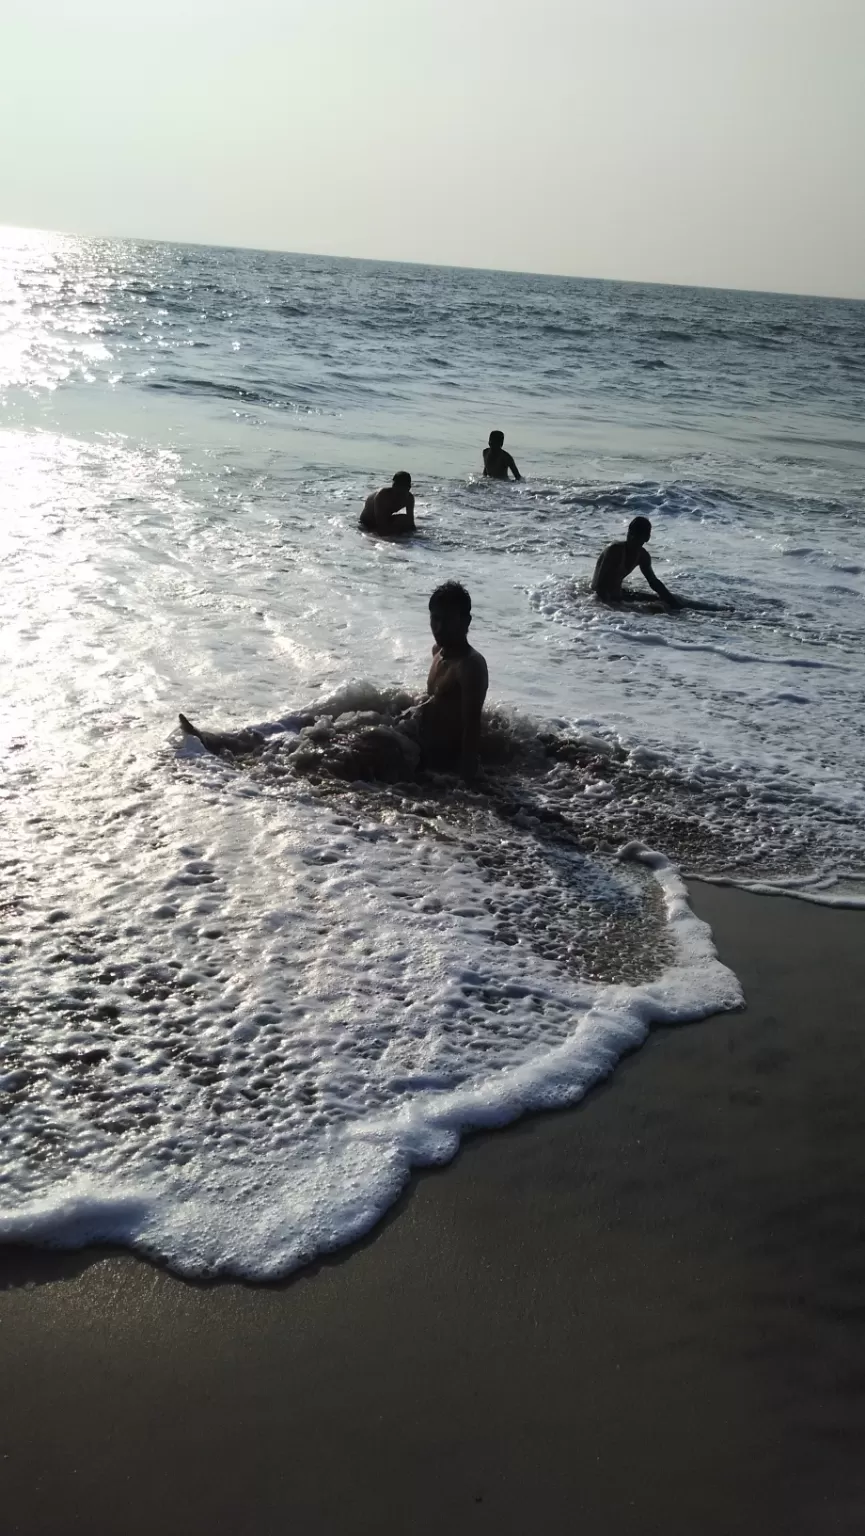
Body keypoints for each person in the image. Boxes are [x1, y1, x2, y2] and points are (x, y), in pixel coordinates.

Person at [178, 582, 489, 783]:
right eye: (434, 618)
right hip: (412, 733)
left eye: (447, 620)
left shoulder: (470, 666)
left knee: (337, 753)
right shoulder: (439, 652)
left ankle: (261, 771)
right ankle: (231, 742)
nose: (438, 626)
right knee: (329, 728)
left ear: (466, 621)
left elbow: (471, 725)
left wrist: (465, 778)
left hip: (426, 752)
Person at [591, 516, 682, 608]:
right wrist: (615, 605)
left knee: (661, 603)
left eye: (637, 536)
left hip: (618, 594)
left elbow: (653, 581)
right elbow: (600, 586)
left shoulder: (643, 556)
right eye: (631, 534)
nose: (632, 538)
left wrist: (673, 602)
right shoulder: (614, 550)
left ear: (647, 538)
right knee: (655, 609)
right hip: (596, 597)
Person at [359, 471, 416, 536]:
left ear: (409, 488)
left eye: (402, 489)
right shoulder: (382, 495)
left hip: (385, 519)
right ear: (393, 485)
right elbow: (380, 524)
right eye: (396, 487)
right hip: (367, 522)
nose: (398, 494)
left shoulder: (409, 498)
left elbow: (411, 523)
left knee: (404, 519)